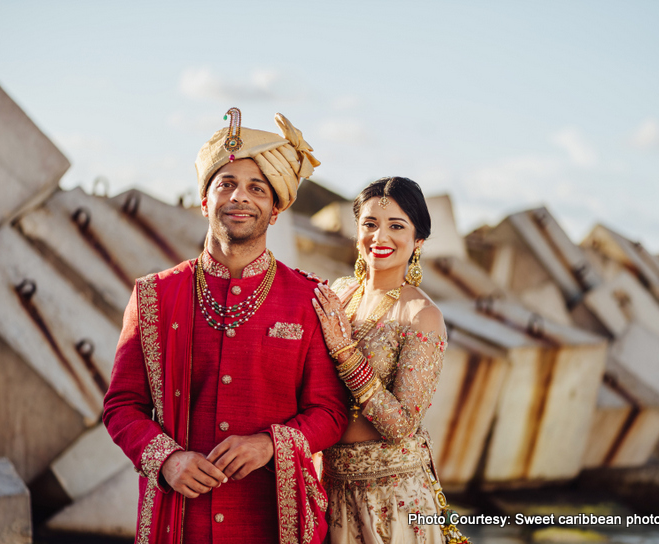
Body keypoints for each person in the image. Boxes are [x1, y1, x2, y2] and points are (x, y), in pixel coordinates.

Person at [103, 107, 348, 544]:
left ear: (275, 209)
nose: (240, 197)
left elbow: (330, 413)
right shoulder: (153, 297)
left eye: (257, 188)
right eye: (227, 185)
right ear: (204, 200)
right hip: (180, 521)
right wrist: (168, 460)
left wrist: (269, 444)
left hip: (269, 521)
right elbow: (122, 406)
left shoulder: (308, 301)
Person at [312, 177, 468, 543]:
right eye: (370, 224)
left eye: (396, 226)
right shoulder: (339, 294)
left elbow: (399, 425)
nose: (380, 237)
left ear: (418, 241)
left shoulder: (421, 315)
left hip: (391, 501)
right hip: (330, 489)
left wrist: (345, 352)